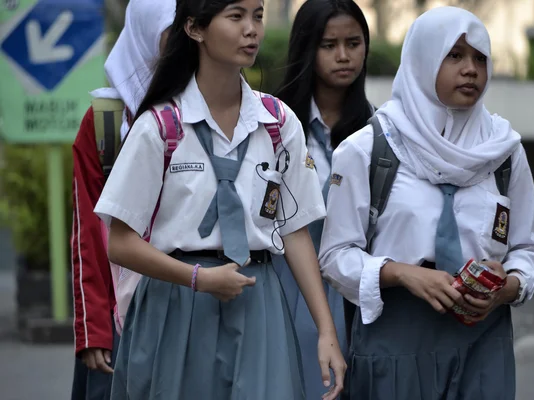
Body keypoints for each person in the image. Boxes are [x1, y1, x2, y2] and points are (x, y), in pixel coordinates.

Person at [93, 0, 346, 399]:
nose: (253, 29)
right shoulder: (159, 126)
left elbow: (296, 233)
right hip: (177, 304)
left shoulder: (278, 122)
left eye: (258, 16)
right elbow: (121, 243)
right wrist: (199, 279)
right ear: (194, 29)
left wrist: (326, 331)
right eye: (236, 16)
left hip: (258, 300)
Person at [319, 6, 534, 400]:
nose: (471, 69)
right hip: (396, 340)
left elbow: (528, 247)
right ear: (422, 60)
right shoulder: (368, 149)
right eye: (454, 55)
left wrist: (508, 286)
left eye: (480, 57)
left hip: (483, 340)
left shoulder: (504, 152)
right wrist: (402, 273)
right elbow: (335, 256)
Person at [71, 1, 175, 399]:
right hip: (121, 322)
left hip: (200, 305)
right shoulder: (106, 123)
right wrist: (94, 327)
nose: (186, 39)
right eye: (174, 29)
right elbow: (89, 234)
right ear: (147, 31)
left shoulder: (219, 110)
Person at [273, 1, 372, 397]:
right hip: (289, 282)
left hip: (358, 289)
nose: (344, 56)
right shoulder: (275, 124)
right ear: (306, 48)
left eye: (354, 42)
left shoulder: (381, 130)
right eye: (329, 45)